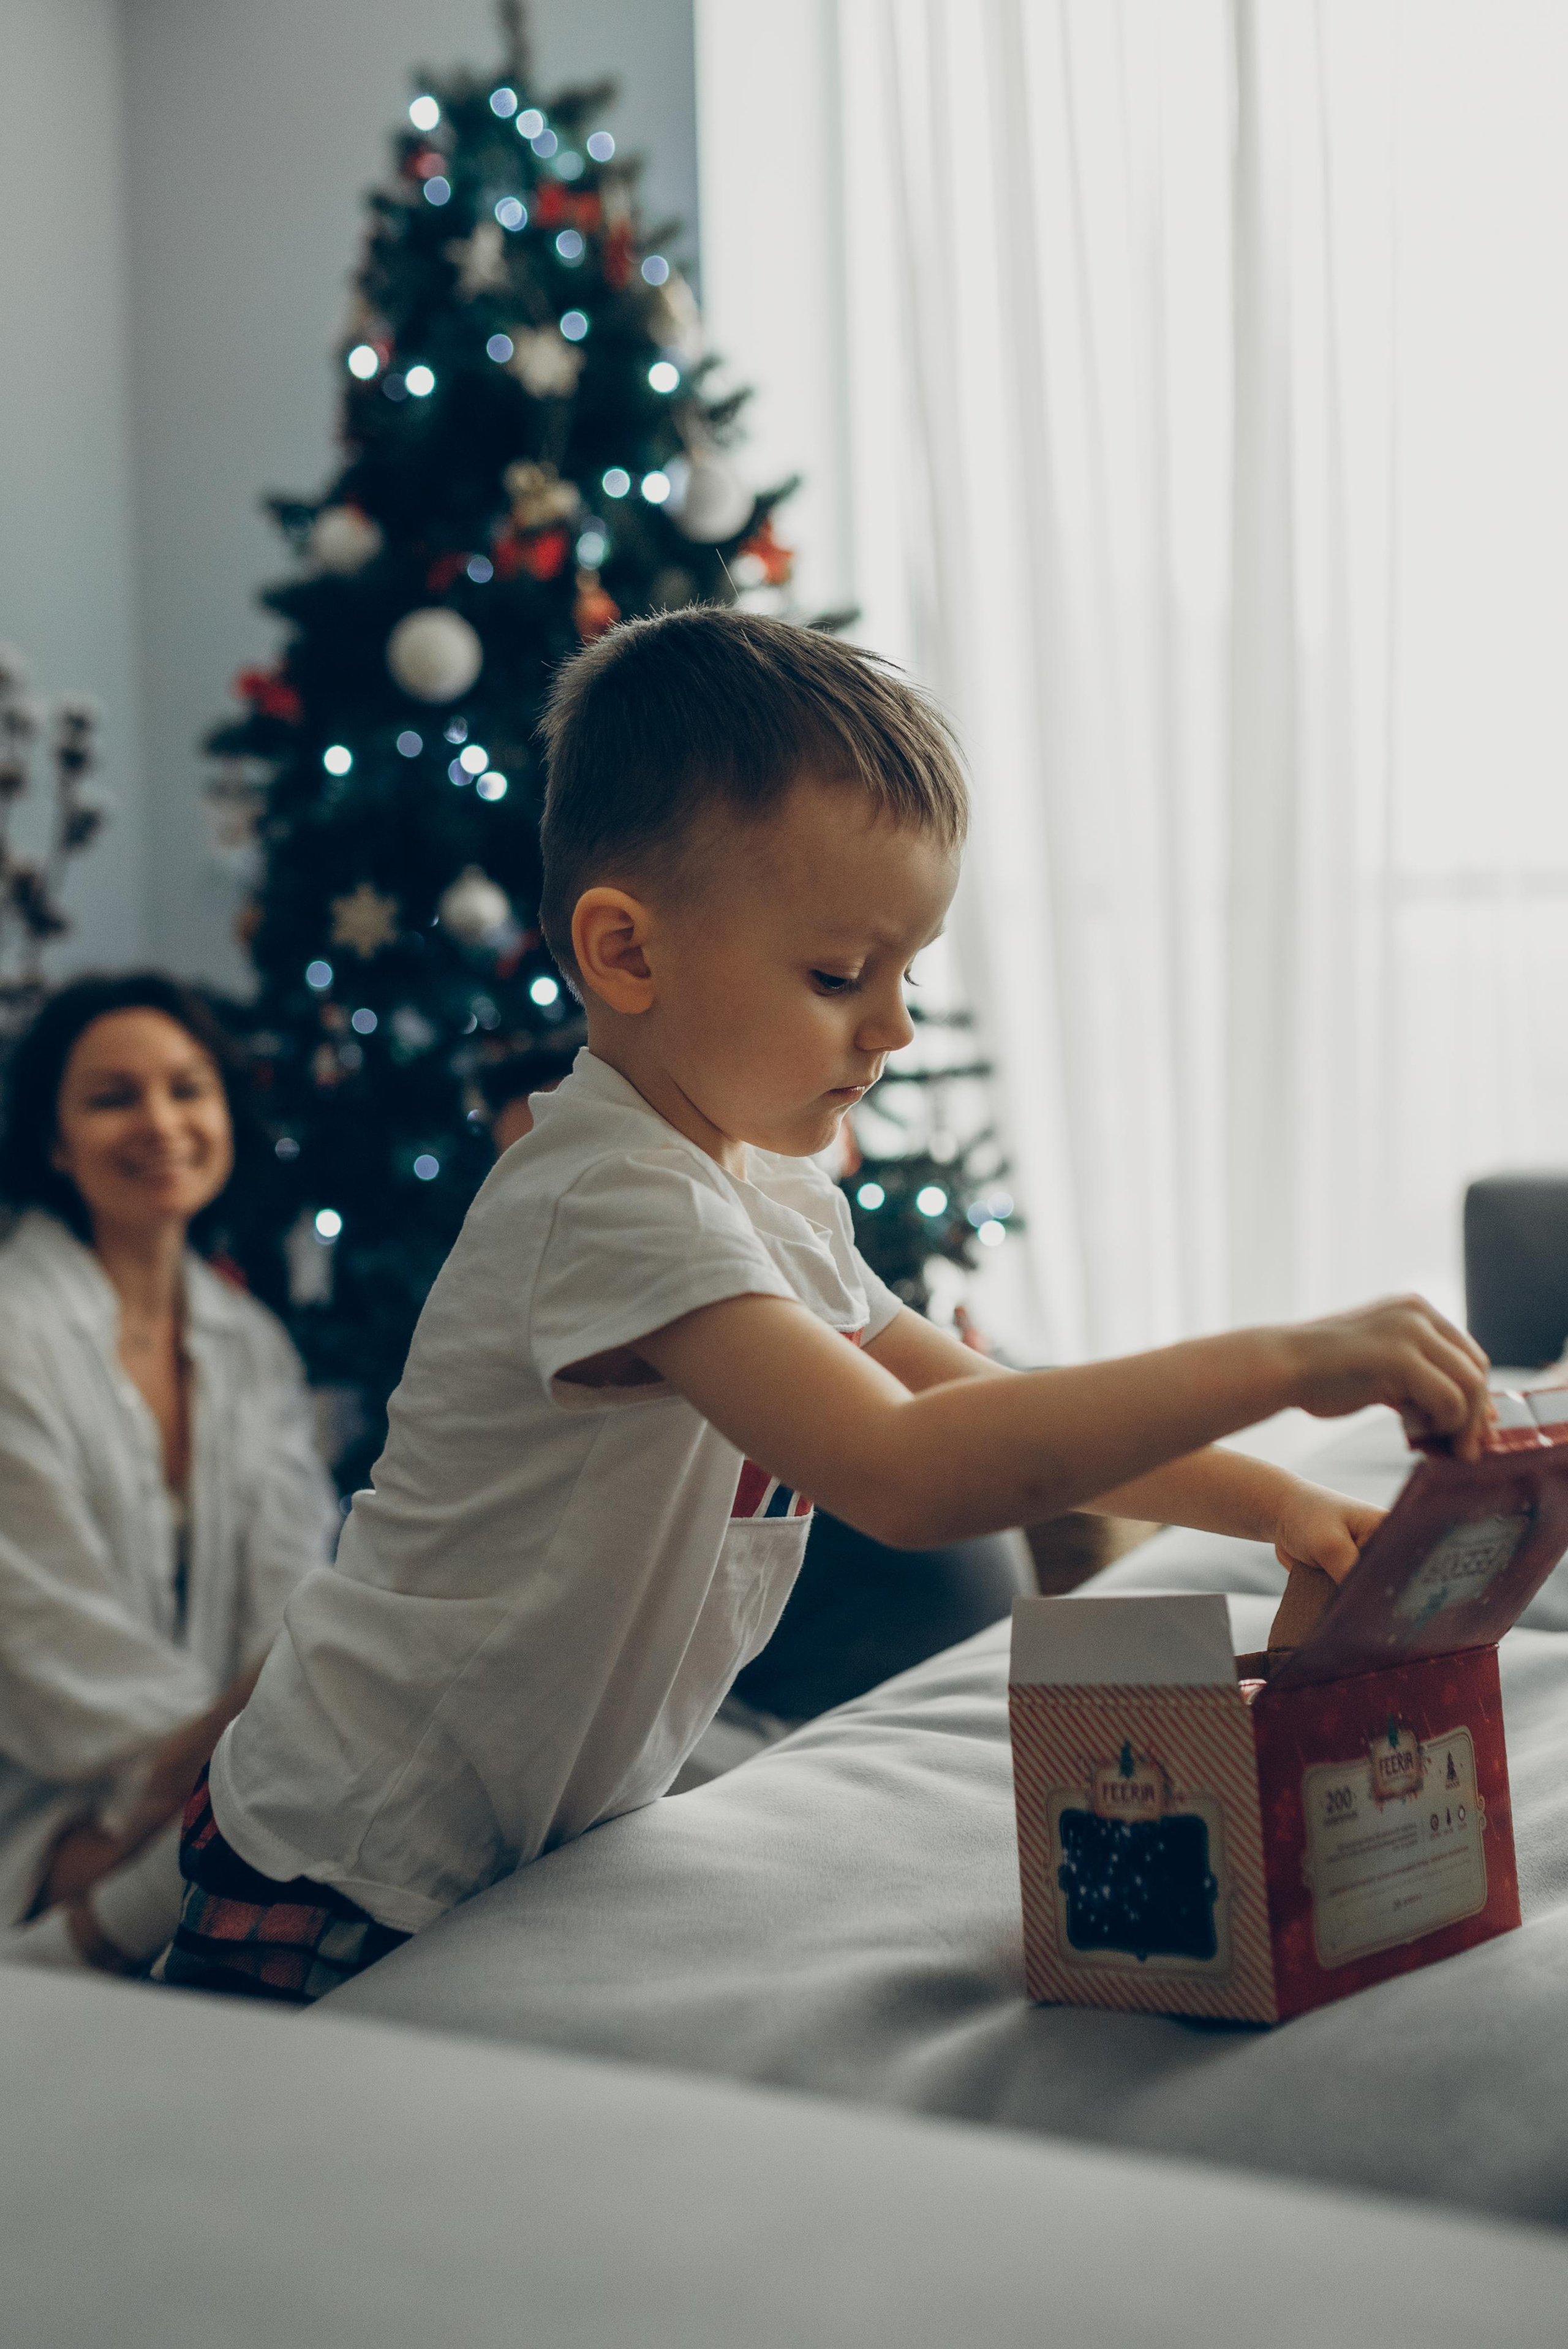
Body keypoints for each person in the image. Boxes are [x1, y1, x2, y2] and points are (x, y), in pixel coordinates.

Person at [160, 608, 1491, 2004]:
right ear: (625, 954)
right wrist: (1280, 1357)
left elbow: (969, 1400)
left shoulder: (766, 1203)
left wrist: (1270, 1506)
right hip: (342, 1861)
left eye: (906, 973)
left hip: (516, 1847)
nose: (895, 1026)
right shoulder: (607, 1200)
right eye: (839, 976)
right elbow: (905, 1475)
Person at [0, 974, 337, 1974]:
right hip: (45, 1793)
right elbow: (36, 1626)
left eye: (188, 1089)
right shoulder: (12, 1333)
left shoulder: (252, 1343)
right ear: (55, 1141)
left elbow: (288, 1589)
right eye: (112, 1097)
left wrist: (258, 1751)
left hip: (209, 1789)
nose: (160, 1122)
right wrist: (226, 1774)